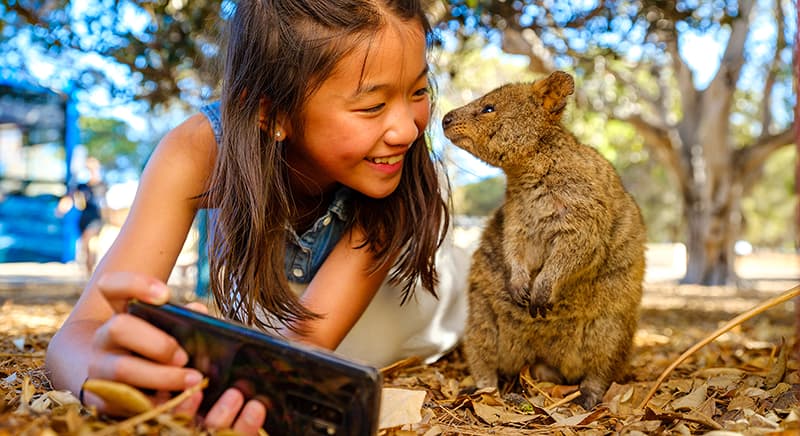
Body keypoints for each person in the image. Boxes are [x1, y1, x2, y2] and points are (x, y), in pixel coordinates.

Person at [45, 0, 467, 434]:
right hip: (289, 305)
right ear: (271, 113)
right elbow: (75, 337)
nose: (409, 130)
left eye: (418, 91)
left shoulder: (398, 173)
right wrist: (100, 374)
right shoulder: (196, 151)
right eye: (372, 106)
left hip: (426, 298)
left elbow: (303, 345)